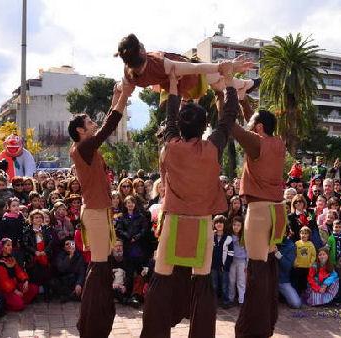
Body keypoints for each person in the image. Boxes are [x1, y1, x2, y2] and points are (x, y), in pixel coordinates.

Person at [141, 63, 237, 338]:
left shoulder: (170, 145)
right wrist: (229, 81)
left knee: (161, 280)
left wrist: (173, 84)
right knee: (202, 282)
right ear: (205, 126)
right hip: (202, 224)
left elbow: (170, 120)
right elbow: (228, 117)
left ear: (181, 126)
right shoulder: (213, 146)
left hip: (173, 220)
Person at [68, 78, 133, 338]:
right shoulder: (83, 147)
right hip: (94, 213)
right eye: (89, 123)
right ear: (81, 131)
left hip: (100, 212)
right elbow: (107, 127)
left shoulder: (86, 145)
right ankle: (92, 322)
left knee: (102, 265)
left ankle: (98, 318)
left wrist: (117, 96)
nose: (93, 124)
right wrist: (123, 97)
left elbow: (103, 125)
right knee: (98, 266)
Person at [228, 78, 287, 338]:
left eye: (253, 125)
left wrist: (225, 93)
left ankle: (253, 328)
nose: (250, 126)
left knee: (256, 270)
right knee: (268, 269)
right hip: (277, 211)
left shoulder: (256, 143)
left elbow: (230, 125)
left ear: (259, 128)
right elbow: (253, 121)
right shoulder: (278, 143)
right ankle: (266, 321)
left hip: (260, 212)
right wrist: (243, 99)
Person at [115, 33, 257, 100]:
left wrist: (118, 91)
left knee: (218, 85)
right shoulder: (161, 65)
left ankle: (247, 85)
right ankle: (248, 84)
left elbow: (121, 87)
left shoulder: (129, 74)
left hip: (179, 87)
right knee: (218, 79)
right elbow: (195, 69)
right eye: (141, 45)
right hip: (190, 79)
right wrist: (229, 66)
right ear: (141, 51)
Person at [0, 238, 39, 311]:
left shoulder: (11, 258)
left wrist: (25, 280)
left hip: (14, 285)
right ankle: (9, 302)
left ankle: (18, 299)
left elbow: (19, 271)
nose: (11, 247)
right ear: (2, 247)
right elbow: (4, 281)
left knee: (34, 288)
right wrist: (15, 291)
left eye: (11, 245)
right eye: (8, 245)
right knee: (19, 305)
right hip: (6, 289)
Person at [211, 215, 234, 308]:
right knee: (214, 285)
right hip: (213, 266)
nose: (219, 224)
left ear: (225, 224)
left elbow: (231, 254)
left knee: (225, 285)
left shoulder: (229, 238)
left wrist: (226, 266)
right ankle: (213, 302)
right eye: (216, 222)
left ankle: (225, 302)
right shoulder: (212, 236)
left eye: (221, 222)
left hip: (224, 266)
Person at [228, 216, 247, 306]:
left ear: (242, 226)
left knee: (241, 281)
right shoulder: (229, 237)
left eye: (238, 225)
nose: (236, 227)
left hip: (241, 262)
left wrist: (247, 264)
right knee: (231, 281)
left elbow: (248, 251)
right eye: (234, 225)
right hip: (232, 261)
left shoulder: (244, 237)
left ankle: (241, 300)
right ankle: (231, 298)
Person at [293, 226, 317, 295]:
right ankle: (297, 294)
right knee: (297, 282)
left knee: (304, 281)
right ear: (299, 234)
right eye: (302, 233)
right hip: (298, 266)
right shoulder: (297, 243)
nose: (304, 235)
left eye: (306, 233)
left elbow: (313, 255)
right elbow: (294, 254)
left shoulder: (310, 244)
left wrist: (311, 263)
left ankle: (304, 295)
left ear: (309, 235)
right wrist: (295, 262)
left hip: (307, 267)